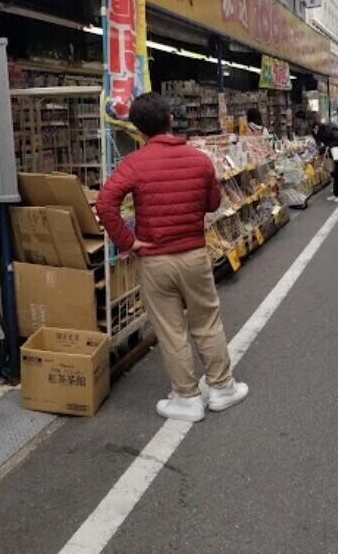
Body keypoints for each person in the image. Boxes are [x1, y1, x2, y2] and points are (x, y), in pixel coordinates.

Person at [96, 92, 248, 423]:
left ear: (138, 130)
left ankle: (186, 398)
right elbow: (212, 203)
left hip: (154, 259)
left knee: (171, 329)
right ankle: (222, 388)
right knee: (206, 322)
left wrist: (128, 242)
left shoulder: (133, 163)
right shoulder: (199, 159)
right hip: (194, 254)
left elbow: (105, 203)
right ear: (170, 120)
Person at [313, 121, 338, 203]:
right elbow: (328, 145)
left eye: (314, 129)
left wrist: (328, 147)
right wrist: (321, 150)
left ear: (317, 127)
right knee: (336, 174)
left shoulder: (329, 130)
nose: (314, 131)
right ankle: (337, 193)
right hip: (336, 154)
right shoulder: (324, 132)